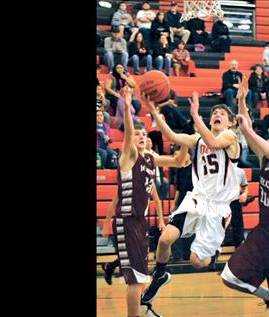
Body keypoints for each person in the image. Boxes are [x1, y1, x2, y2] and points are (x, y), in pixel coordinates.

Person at [140, 91, 241, 305]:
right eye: (215, 112)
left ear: (231, 123)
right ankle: (160, 274)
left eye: (222, 113)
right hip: (197, 199)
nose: (217, 114)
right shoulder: (198, 139)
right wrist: (154, 113)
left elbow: (214, 142)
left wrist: (195, 116)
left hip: (218, 207)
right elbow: (173, 136)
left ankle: (212, 252)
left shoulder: (231, 138)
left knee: (197, 262)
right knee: (165, 238)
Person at [101, 86, 189, 317]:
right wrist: (128, 108)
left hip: (140, 222)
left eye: (144, 134)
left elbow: (179, 162)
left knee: (140, 275)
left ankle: (142, 309)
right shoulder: (129, 156)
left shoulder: (151, 158)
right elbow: (129, 134)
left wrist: (186, 139)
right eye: (138, 134)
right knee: (134, 278)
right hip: (128, 220)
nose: (141, 136)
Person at [220, 78, 269, 316]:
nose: (268, 140)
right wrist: (242, 101)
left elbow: (252, 133)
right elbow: (247, 129)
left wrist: (249, 130)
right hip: (263, 234)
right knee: (230, 276)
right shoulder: (266, 162)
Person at [168, 147, 195, 261]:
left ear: (189, 155)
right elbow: (178, 188)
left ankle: (187, 254)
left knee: (190, 228)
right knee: (176, 226)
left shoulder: (195, 168)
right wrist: (174, 204)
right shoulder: (179, 169)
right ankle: (176, 254)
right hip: (181, 202)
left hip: (192, 202)